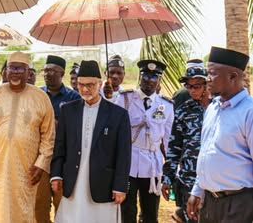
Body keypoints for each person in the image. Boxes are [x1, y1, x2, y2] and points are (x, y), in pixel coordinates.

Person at [0, 51, 55, 223]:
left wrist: (41, 164)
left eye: (20, 69)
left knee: (24, 211)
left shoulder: (41, 97)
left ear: (28, 72)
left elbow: (49, 135)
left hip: (26, 170)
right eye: (12, 68)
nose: (15, 72)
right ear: (6, 71)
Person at [50, 60, 131, 222]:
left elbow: (123, 154)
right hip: (73, 182)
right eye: (81, 84)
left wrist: (120, 186)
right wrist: (56, 175)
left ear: (100, 84)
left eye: (91, 84)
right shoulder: (68, 110)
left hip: (104, 185)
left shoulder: (118, 115)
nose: (85, 89)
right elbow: (60, 146)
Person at [187, 47, 253, 223]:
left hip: (239, 204)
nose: (207, 79)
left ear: (233, 76)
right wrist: (197, 191)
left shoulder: (249, 112)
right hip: (209, 202)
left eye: (212, 74)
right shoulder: (212, 109)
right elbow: (206, 153)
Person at [115, 59, 174, 223]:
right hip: (129, 162)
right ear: (140, 77)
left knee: (150, 212)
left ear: (159, 80)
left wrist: (169, 169)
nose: (149, 81)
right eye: (145, 76)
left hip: (152, 164)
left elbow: (168, 140)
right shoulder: (125, 99)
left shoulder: (166, 105)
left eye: (154, 77)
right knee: (127, 210)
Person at [161, 60, 209, 223]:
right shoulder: (183, 111)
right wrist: (167, 177)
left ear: (206, 84)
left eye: (197, 86)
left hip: (213, 180)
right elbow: (174, 147)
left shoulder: (217, 109)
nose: (193, 90)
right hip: (189, 178)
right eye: (189, 86)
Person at [38, 55, 81, 222]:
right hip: (39, 158)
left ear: (62, 73)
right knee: (39, 204)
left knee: (62, 204)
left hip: (62, 159)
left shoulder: (74, 97)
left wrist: (57, 124)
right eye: (46, 70)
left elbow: (77, 128)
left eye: (52, 71)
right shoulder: (37, 94)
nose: (48, 74)